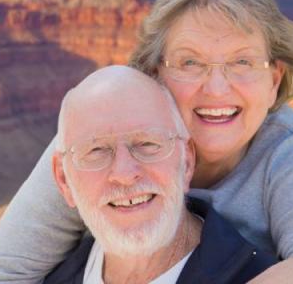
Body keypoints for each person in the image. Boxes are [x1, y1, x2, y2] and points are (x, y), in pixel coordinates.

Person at [0, 0, 293, 283]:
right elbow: (7, 273)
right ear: (154, 75)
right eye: (189, 63)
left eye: (243, 62)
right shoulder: (93, 147)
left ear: (274, 81)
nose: (217, 89)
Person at [45, 65, 276, 283]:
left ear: (187, 161)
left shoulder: (258, 276)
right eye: (96, 150)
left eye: (147, 143)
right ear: (64, 180)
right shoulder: (51, 279)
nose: (124, 174)